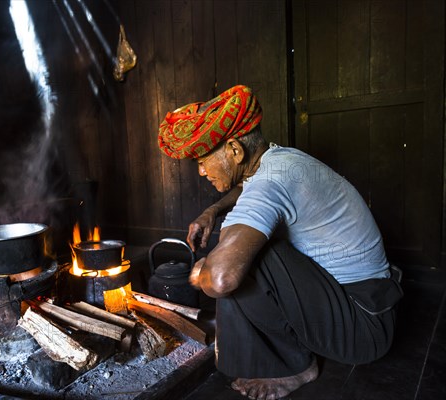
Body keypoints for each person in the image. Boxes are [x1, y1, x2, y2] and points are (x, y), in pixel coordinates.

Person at [157, 85, 403, 399]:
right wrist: (213, 211)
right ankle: (277, 354)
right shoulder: (281, 160)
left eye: (204, 160)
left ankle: (295, 366)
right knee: (241, 243)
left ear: (234, 150)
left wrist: (204, 268)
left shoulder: (270, 183)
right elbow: (249, 184)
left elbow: (220, 279)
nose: (202, 171)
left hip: (363, 329)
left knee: (243, 255)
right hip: (373, 304)